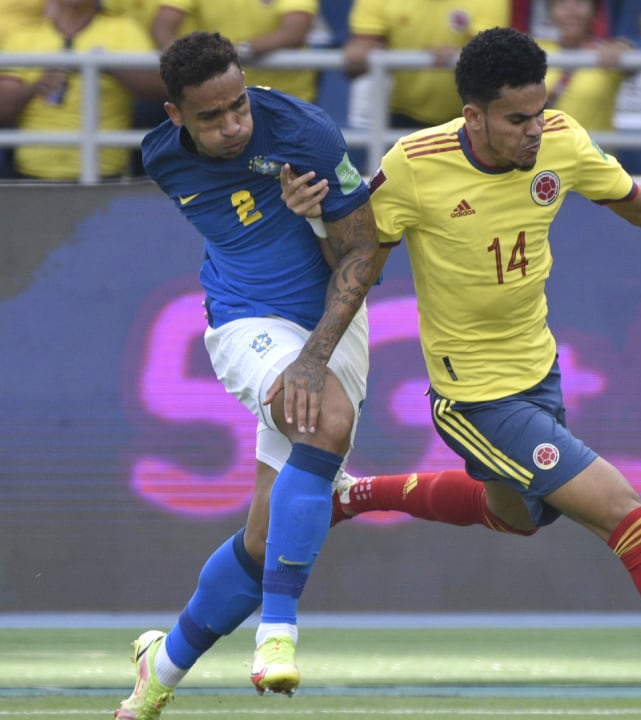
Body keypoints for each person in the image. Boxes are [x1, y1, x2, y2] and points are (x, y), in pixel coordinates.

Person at [281, 26, 641, 710]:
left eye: (539, 112)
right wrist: (312, 245)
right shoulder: (414, 166)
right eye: (517, 120)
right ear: (473, 116)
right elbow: (357, 265)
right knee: (624, 514)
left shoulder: (562, 140)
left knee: (517, 515)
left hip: (539, 377)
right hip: (475, 401)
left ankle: (355, 496)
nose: (534, 131)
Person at [114, 30, 388, 719]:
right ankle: (277, 633)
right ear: (175, 114)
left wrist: (318, 221)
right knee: (324, 418)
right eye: (211, 116)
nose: (233, 125)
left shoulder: (305, 135)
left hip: (332, 325)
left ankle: (159, 670)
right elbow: (240, 235)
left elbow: (362, 258)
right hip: (244, 322)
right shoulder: (163, 159)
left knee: (266, 542)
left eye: (239, 105)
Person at [0, 0, 164, 180]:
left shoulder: (124, 30)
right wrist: (35, 87)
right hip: (31, 174)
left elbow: (157, 90)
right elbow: (3, 109)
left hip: (104, 174)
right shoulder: (23, 37)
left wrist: (112, 67)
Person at [342, 0, 509, 129]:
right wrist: (361, 49)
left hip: (469, 115)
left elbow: (490, 54)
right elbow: (360, 47)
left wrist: (462, 54)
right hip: (402, 114)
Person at [151, 0, 318, 103]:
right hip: (214, 99)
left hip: (284, 99)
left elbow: (294, 32)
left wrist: (226, 53)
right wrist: (186, 64)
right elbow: (162, 29)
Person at [536, 0, 629, 132]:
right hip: (545, 145)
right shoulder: (535, 49)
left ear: (595, 10)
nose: (571, 12)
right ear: (551, 11)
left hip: (592, 146)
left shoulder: (607, 52)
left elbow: (640, 59)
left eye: (580, 2)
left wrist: (623, 47)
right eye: (561, 3)